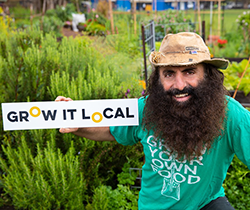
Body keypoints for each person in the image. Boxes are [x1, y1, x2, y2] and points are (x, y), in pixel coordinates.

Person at [55, 32, 250, 210]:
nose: (179, 85)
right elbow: (109, 129)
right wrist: (78, 122)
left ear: (207, 74)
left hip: (206, 203)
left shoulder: (229, 114)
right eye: (169, 74)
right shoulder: (146, 108)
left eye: (190, 72)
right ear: (158, 78)